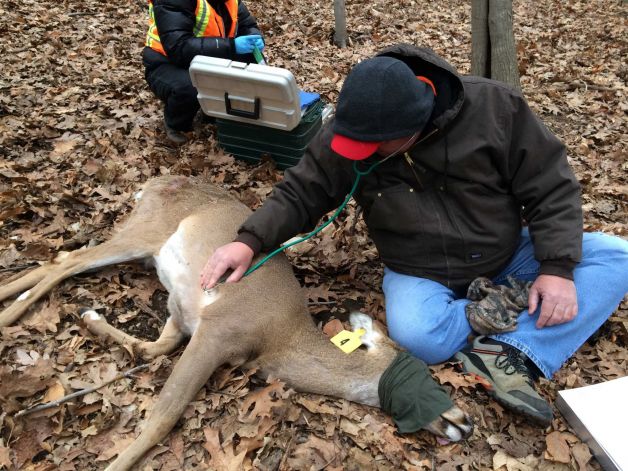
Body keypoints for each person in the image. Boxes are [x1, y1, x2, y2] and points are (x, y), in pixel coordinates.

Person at [199, 44, 628, 425]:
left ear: (414, 125)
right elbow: (301, 191)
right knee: (421, 337)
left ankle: (513, 351)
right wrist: (249, 239)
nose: (362, 152)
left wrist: (555, 267)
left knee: (616, 256)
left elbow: (550, 185)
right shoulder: (355, 126)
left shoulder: (496, 108)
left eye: (377, 146)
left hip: (506, 250)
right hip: (420, 268)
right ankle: (494, 309)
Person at [143, 0, 264, 143]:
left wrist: (255, 37)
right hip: (166, 63)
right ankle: (176, 124)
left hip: (208, 57)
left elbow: (248, 25)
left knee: (254, 64)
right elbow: (178, 47)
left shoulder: (231, 2)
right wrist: (231, 46)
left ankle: (216, 113)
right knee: (189, 88)